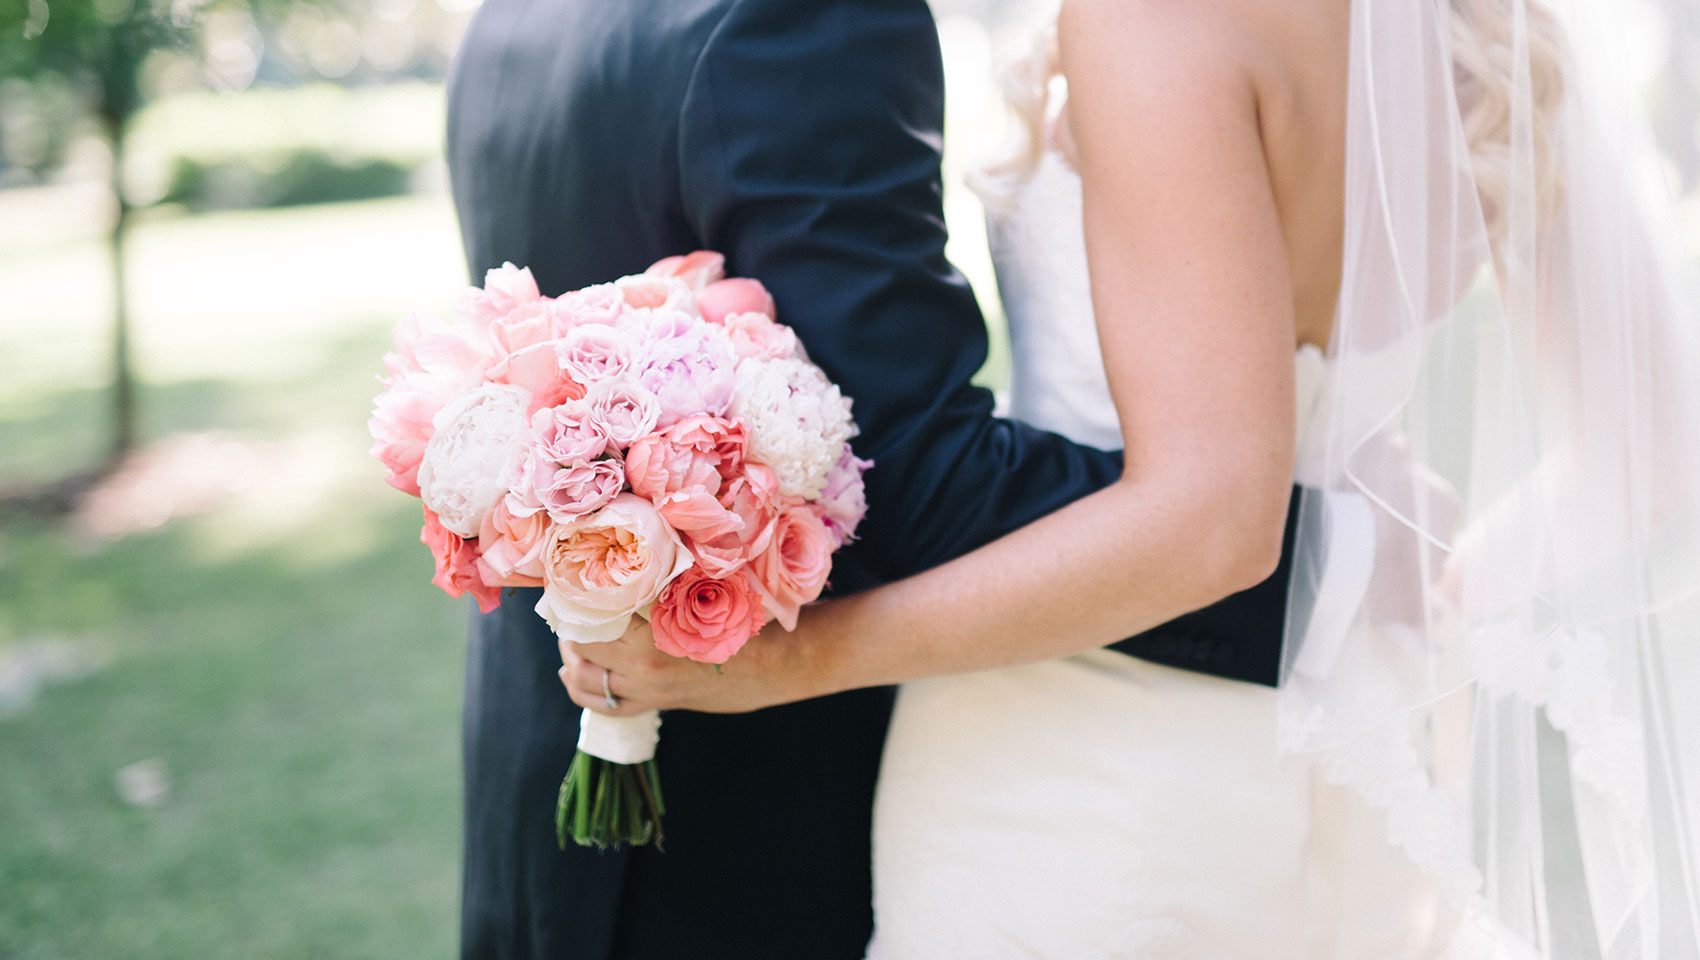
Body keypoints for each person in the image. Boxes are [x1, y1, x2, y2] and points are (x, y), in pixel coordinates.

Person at [570, 0, 1700, 956]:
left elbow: (1215, 523)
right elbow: (1649, 444)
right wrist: (1397, 591)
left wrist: (790, 664)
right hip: (1367, 737)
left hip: (1076, 760)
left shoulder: (1156, 19)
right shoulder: (1474, 30)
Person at [444, 0, 1304, 956]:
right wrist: (1323, 559)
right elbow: (914, 485)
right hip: (742, 821)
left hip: (538, 790)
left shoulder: (516, 15)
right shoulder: (804, 18)